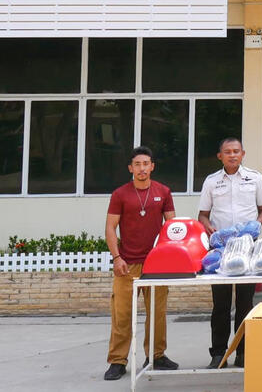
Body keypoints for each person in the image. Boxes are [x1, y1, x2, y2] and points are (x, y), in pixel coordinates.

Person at [103, 146, 177, 381]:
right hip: (127, 264)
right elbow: (110, 228)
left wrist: (168, 257)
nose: (142, 168)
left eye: (146, 163)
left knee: (157, 313)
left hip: (156, 264)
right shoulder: (120, 194)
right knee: (122, 314)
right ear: (130, 168)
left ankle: (156, 355)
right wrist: (116, 257)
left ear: (152, 166)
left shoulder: (163, 192)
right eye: (137, 164)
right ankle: (117, 361)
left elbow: (172, 227)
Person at [196, 137, 262, 370]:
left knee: (245, 302)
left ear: (243, 153)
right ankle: (218, 354)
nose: (232, 155)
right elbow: (203, 215)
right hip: (220, 250)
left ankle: (243, 353)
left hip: (247, 247)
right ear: (220, 156)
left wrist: (257, 224)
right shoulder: (211, 182)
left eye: (236, 151)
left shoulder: (254, 178)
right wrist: (208, 227)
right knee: (220, 304)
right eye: (227, 152)